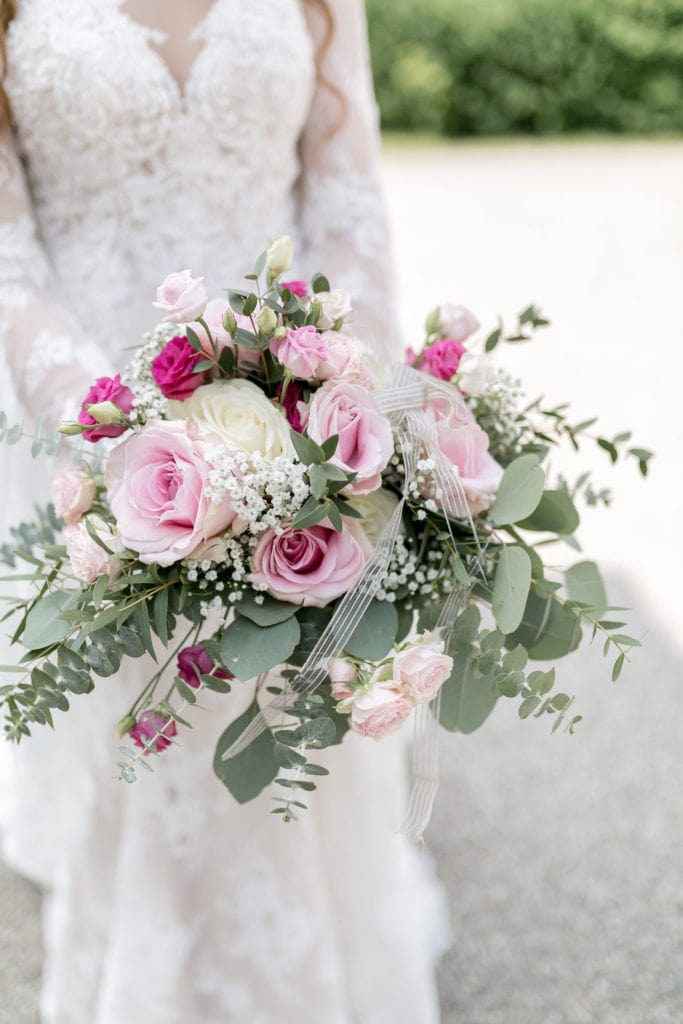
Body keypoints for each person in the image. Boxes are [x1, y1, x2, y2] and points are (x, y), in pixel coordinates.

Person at [0, 2, 449, 1021]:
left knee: (299, 709)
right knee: (144, 733)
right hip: (102, 429)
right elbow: (7, 255)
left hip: (298, 417)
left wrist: (343, 412)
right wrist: (120, 436)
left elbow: (345, 201)